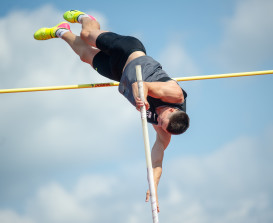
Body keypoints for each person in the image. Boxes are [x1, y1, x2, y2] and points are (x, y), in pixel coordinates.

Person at [34, 10, 190, 212]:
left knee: (85, 55)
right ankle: (84, 18)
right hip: (129, 52)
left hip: (120, 73)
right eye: (161, 120)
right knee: (87, 35)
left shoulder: (166, 129)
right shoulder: (174, 94)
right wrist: (141, 99)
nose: (158, 125)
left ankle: (60, 32)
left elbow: (157, 160)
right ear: (171, 109)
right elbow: (142, 85)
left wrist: (154, 189)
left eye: (161, 126)